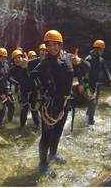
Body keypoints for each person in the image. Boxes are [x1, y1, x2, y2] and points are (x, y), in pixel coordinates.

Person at [31, 30, 90, 177]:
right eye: (48, 45)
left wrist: (80, 62)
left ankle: (53, 155)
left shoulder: (69, 58)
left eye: (55, 45)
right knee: (46, 136)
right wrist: (40, 93)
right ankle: (43, 164)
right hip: (49, 104)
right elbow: (32, 77)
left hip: (64, 103)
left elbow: (88, 68)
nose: (52, 48)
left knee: (57, 132)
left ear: (60, 44)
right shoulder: (44, 63)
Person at [8, 49, 40, 129]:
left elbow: (41, 60)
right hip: (23, 92)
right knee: (24, 111)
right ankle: (22, 127)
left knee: (34, 111)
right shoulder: (13, 69)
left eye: (19, 57)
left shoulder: (30, 64)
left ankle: (37, 126)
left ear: (22, 58)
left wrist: (27, 66)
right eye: (15, 58)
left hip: (33, 91)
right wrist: (16, 83)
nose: (17, 59)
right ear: (13, 60)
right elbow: (6, 77)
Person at [84, 40, 111, 125]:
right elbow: (85, 75)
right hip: (89, 85)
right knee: (92, 102)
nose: (103, 51)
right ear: (96, 49)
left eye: (103, 50)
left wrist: (110, 80)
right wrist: (86, 87)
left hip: (97, 85)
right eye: (101, 49)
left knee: (94, 103)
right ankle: (90, 122)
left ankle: (88, 116)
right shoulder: (88, 59)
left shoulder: (101, 59)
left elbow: (106, 71)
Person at [0, 48, 15, 125]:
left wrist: (15, 83)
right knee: (2, 111)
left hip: (7, 90)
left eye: (4, 57)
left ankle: (9, 121)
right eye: (0, 57)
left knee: (12, 107)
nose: (2, 59)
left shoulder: (6, 64)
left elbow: (8, 77)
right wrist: (0, 93)